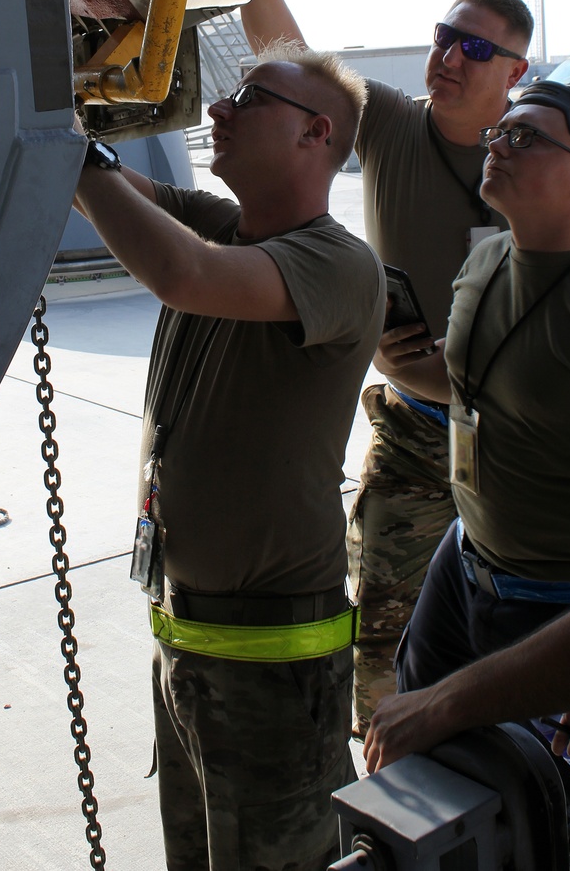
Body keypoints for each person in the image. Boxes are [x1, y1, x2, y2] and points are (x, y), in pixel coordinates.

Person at [207, 0, 532, 734]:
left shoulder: (542, 159)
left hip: (523, 444)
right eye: (440, 36)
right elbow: (294, 57)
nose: (446, 57)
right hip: (419, 434)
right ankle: (390, 808)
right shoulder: (390, 124)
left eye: (473, 47)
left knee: (519, 641)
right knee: (382, 636)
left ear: (514, 72)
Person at [373, 80, 570, 868]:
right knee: (428, 779)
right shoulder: (485, 260)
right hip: (467, 566)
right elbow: (480, 392)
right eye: (499, 133)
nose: (498, 145)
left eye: (526, 139)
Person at [74, 47, 385, 871]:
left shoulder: (337, 264)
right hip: (190, 639)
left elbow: (181, 272)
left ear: (316, 135)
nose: (219, 111)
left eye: (247, 98)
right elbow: (116, 192)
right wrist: (54, 131)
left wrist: (64, 146)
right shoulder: (228, 223)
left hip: (272, 664)